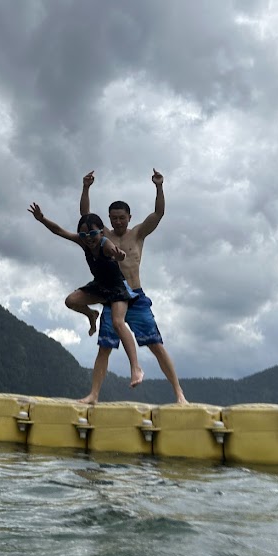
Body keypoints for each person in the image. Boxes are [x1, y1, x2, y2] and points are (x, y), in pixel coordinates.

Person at [79, 169, 187, 405]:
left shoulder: (137, 233)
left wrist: (159, 187)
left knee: (155, 343)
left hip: (135, 296)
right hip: (113, 295)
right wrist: (86, 188)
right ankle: (93, 395)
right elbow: (85, 216)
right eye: (113, 218)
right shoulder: (103, 235)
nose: (117, 221)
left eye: (121, 217)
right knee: (104, 347)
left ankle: (179, 394)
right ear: (108, 219)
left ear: (129, 217)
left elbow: (158, 213)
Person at [28, 205, 144, 388]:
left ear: (101, 231)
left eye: (92, 234)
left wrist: (119, 255)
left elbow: (116, 253)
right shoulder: (84, 242)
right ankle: (92, 315)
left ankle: (136, 368)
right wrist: (42, 219)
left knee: (118, 323)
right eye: (83, 235)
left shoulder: (105, 243)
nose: (88, 239)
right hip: (99, 286)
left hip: (116, 289)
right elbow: (59, 231)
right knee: (71, 301)